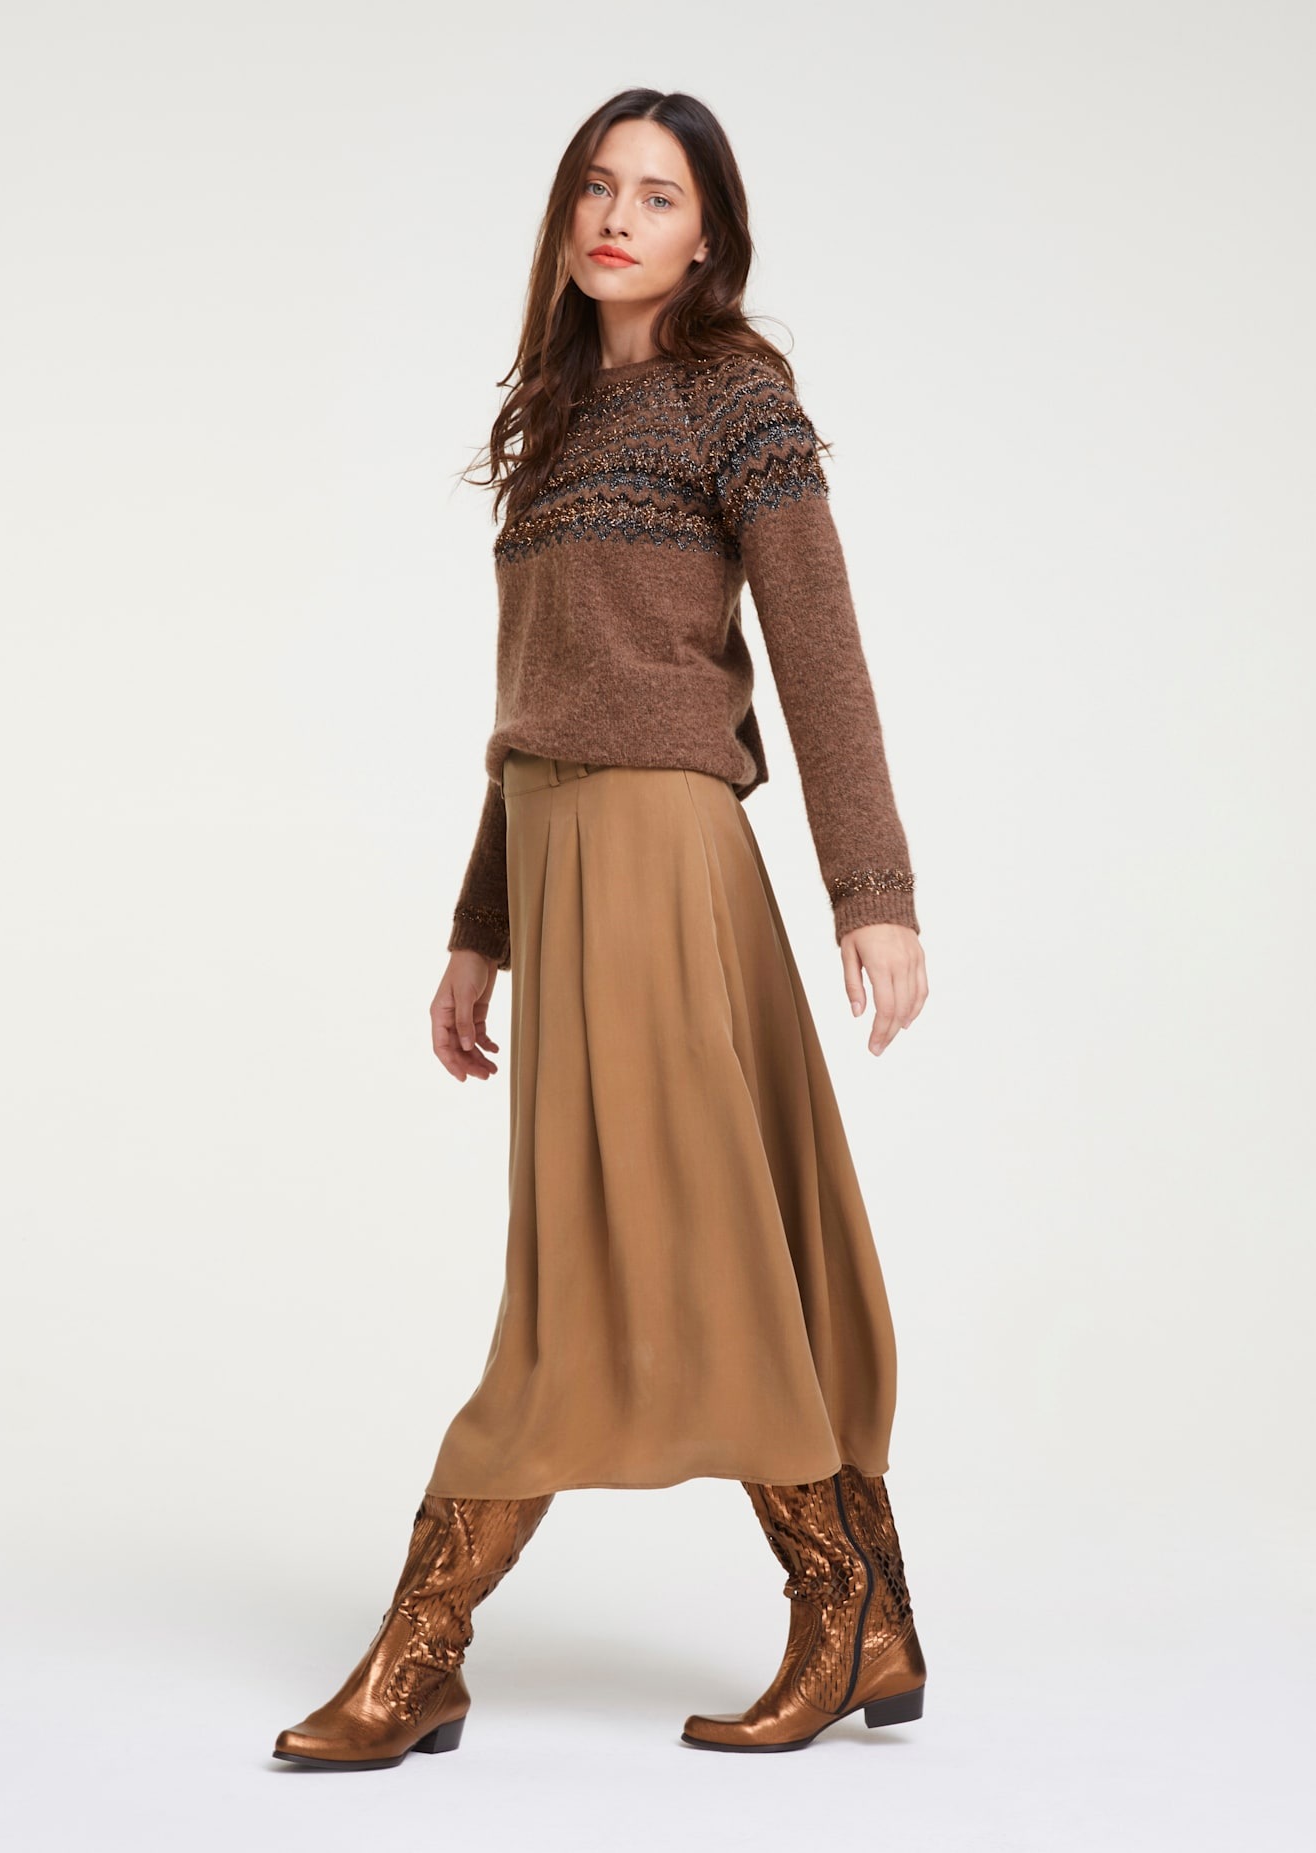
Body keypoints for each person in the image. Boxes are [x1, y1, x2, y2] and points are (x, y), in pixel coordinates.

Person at [272, 87, 930, 1771]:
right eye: (595, 184)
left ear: (708, 239)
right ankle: (867, 1612)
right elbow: (532, 708)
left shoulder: (735, 399)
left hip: (659, 854)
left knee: (658, 1245)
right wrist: (477, 930)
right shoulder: (554, 419)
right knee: (669, 1234)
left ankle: (430, 1649)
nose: (616, 215)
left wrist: (872, 894)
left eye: (656, 194)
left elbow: (820, 651)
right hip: (561, 860)